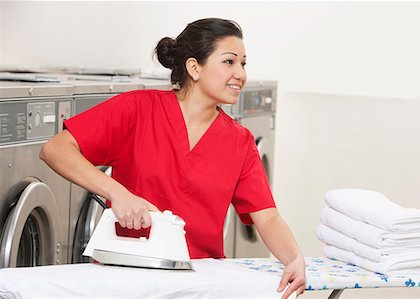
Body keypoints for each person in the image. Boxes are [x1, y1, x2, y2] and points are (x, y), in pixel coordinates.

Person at [40, 18, 306, 298]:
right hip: (125, 277)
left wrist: (294, 258)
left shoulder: (239, 141)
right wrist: (118, 194)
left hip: (199, 281)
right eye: (229, 62)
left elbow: (267, 217)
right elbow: (56, 149)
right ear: (194, 68)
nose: (240, 74)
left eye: (243, 64)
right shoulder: (138, 110)